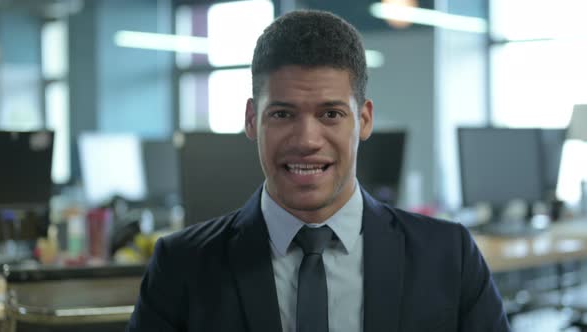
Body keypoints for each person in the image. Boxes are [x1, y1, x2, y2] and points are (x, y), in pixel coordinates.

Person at [127, 10, 510, 332]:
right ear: (250, 119)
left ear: (363, 120)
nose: (307, 140)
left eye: (330, 114)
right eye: (282, 114)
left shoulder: (448, 257)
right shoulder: (181, 267)